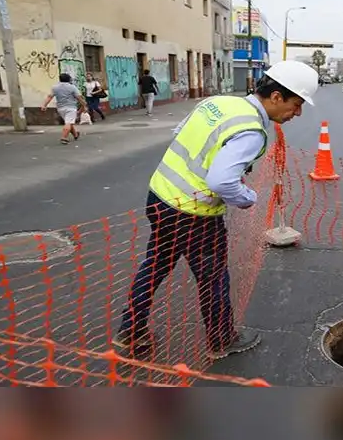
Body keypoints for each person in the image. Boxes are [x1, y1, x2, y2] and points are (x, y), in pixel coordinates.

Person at [113, 60, 320, 359]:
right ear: (276, 97)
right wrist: (246, 197)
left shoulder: (218, 103)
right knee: (213, 278)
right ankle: (221, 339)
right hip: (194, 215)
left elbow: (180, 131)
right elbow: (221, 180)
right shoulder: (251, 130)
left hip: (160, 197)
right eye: (296, 104)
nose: (297, 113)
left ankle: (130, 331)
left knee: (155, 265)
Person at [41, 73, 87, 145]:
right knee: (68, 123)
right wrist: (84, 105)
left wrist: (44, 105)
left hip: (60, 108)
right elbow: (79, 97)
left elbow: (50, 96)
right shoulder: (72, 87)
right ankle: (64, 137)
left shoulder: (55, 87)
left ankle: (75, 134)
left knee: (68, 122)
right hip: (71, 107)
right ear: (69, 79)